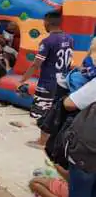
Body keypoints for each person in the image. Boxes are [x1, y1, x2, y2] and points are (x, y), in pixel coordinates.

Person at [19, 11, 74, 147]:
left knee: (43, 111)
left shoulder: (47, 41)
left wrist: (23, 80)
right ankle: (50, 139)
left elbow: (36, 64)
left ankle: (42, 141)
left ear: (47, 23)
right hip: (63, 81)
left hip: (48, 82)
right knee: (55, 110)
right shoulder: (70, 39)